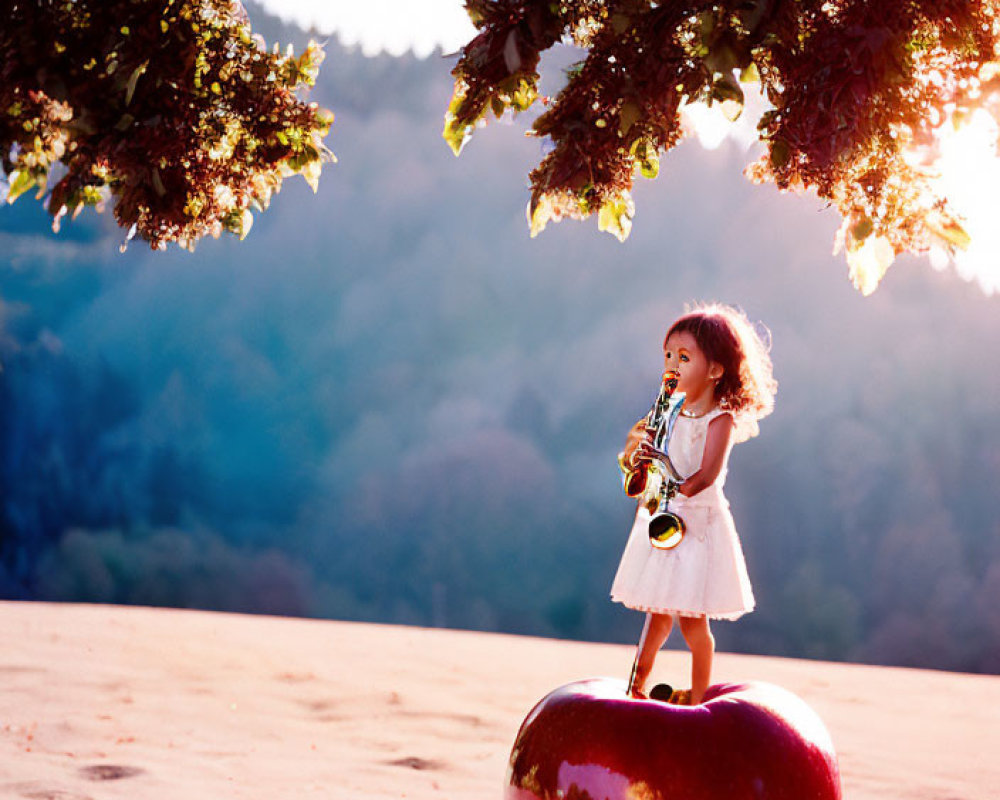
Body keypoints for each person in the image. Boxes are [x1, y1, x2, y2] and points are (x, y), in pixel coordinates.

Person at [610, 302, 776, 704]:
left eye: (684, 358)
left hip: (697, 524)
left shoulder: (720, 418)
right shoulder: (668, 411)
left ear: (715, 370)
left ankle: (701, 696)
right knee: (656, 613)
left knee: (692, 620)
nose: (672, 365)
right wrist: (644, 463)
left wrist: (670, 483)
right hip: (665, 517)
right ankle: (636, 687)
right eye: (668, 356)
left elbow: (706, 476)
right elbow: (644, 455)